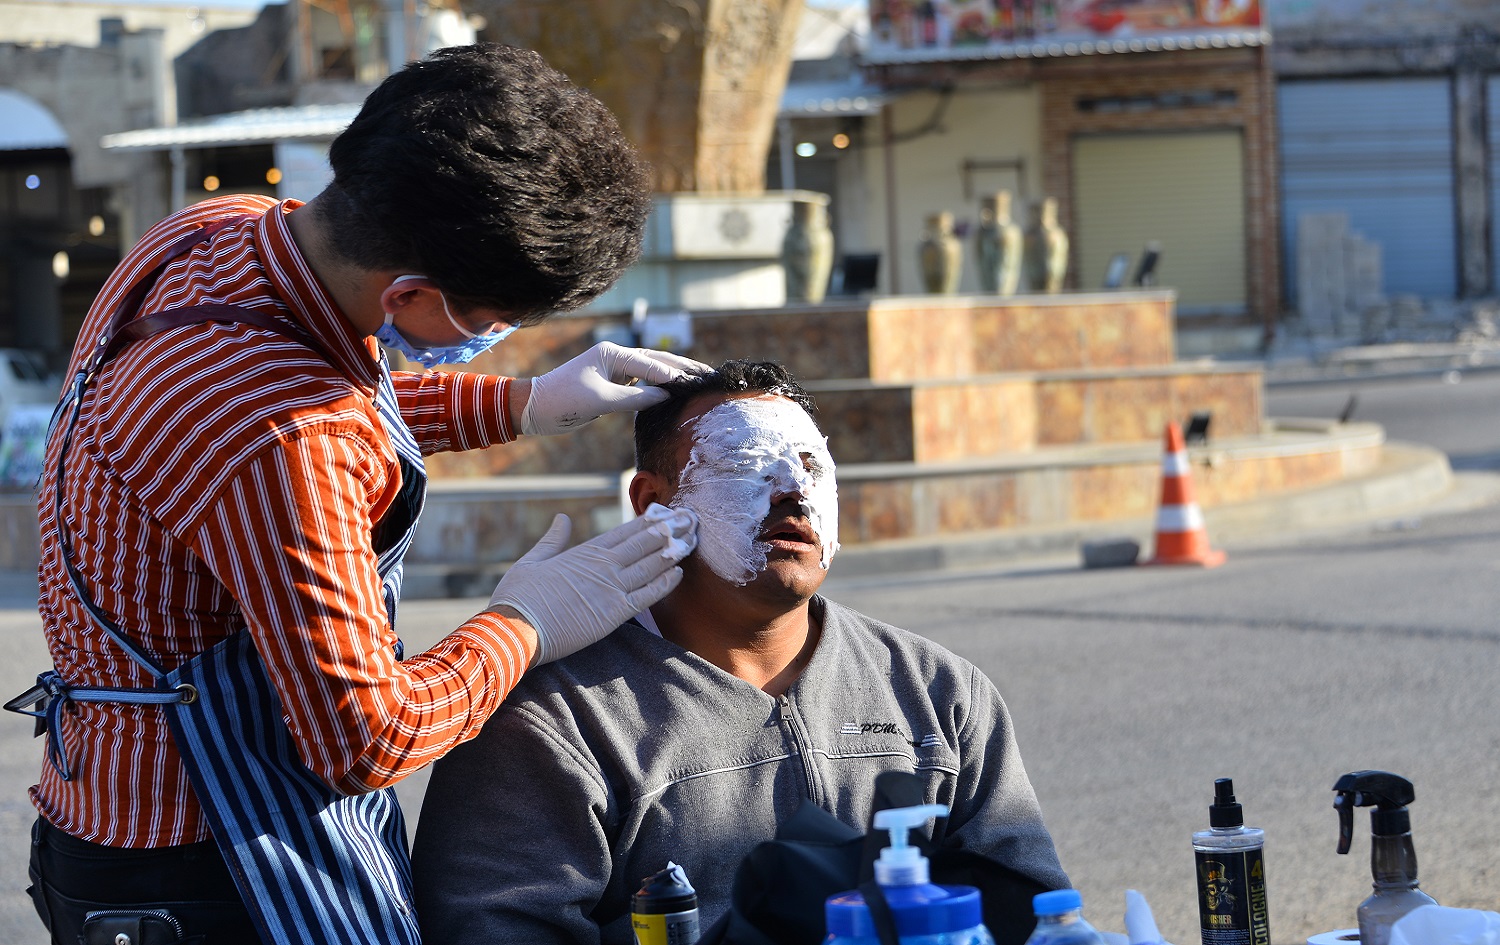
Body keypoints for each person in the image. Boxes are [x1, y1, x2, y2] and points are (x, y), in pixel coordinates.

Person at [10, 43, 705, 945]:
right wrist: (527, 620)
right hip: (206, 865)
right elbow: (364, 740)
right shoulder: (281, 437)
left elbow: (325, 406)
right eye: (497, 324)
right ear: (412, 292)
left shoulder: (219, 231)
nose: (496, 338)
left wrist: (523, 402)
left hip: (103, 806)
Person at [411, 359, 1070, 944]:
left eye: (813, 467)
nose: (793, 490)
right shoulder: (550, 724)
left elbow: (1036, 910)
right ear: (650, 504)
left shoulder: (938, 692)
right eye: (745, 464)